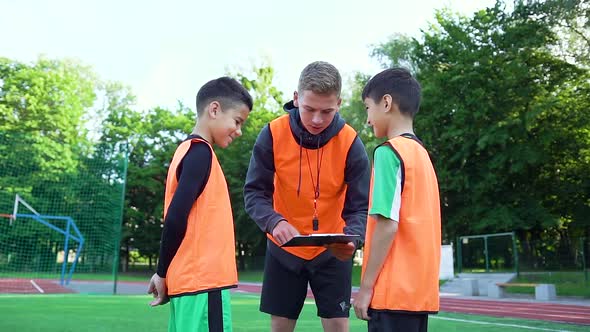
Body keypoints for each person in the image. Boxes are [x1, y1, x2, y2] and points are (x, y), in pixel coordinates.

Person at [244, 61, 370, 332]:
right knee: (280, 328)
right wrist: (273, 222)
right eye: (309, 109)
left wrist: (353, 238)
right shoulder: (272, 134)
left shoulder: (350, 141)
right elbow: (254, 192)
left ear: (339, 102)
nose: (316, 119)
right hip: (283, 249)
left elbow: (361, 206)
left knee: (338, 326)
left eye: (326, 111)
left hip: (333, 252)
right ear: (296, 98)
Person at [147, 76, 253, 332]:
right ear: (214, 109)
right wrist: (161, 273)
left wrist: (165, 272)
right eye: (237, 121)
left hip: (189, 286)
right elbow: (175, 218)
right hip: (204, 285)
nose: (239, 131)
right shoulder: (200, 153)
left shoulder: (187, 151)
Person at [352, 68, 441, 332]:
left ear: (386, 103)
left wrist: (365, 288)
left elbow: (387, 224)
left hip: (391, 293)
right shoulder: (422, 156)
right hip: (417, 294)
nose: (368, 120)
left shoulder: (389, 153)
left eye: (368, 108)